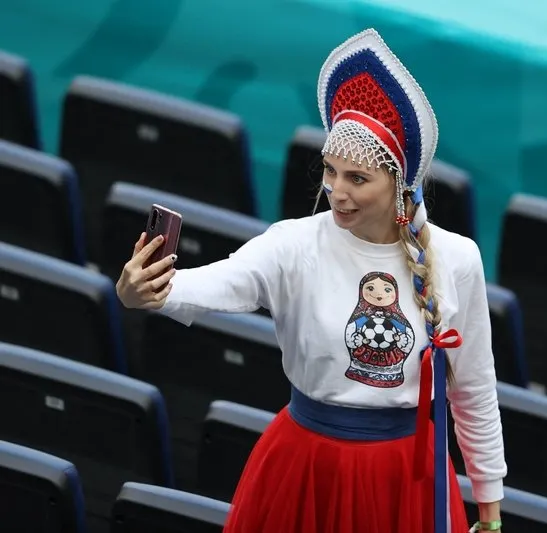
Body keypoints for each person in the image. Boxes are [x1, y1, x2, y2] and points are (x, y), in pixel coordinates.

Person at [116, 28, 507, 533]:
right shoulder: (295, 243)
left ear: (399, 182)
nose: (336, 191)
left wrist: (491, 512)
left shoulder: (457, 259)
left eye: (358, 179)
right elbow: (224, 281)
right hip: (304, 468)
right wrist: (151, 291)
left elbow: (473, 388)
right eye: (330, 171)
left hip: (404, 481)